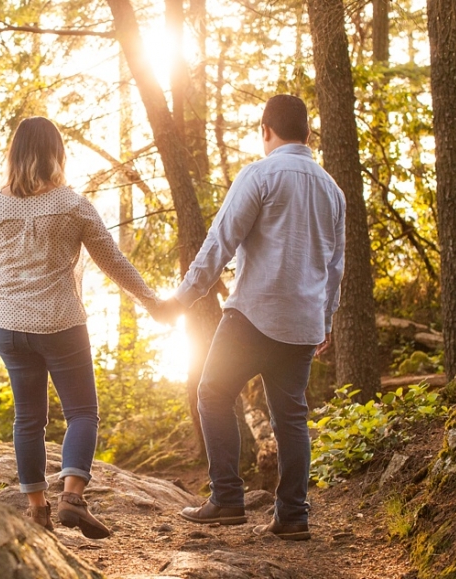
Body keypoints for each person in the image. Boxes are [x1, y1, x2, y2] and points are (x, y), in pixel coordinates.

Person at [154, 95, 345, 541]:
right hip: (303, 322)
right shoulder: (332, 189)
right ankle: (293, 514)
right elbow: (336, 266)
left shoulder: (260, 174)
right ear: (308, 135)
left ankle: (226, 499)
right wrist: (326, 319)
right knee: (291, 418)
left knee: (213, 392)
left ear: (265, 131)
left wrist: (182, 299)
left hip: (253, 314)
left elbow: (220, 242)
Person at [0, 116, 160, 538]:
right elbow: (112, 261)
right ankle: (72, 498)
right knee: (82, 413)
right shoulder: (72, 204)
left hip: (11, 327)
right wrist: (150, 301)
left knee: (28, 419)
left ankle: (37, 509)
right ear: (57, 154)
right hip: (61, 322)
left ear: (13, 154)